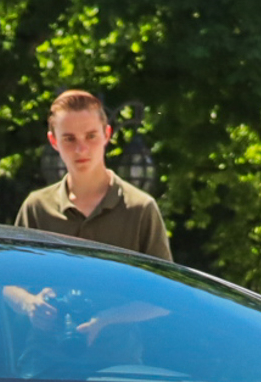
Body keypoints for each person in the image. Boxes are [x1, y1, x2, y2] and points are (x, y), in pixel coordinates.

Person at [11, 90, 171, 260]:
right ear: (54, 141)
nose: (81, 149)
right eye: (69, 139)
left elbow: (165, 284)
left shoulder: (140, 209)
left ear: (106, 135)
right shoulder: (36, 209)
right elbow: (12, 280)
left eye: (91, 136)